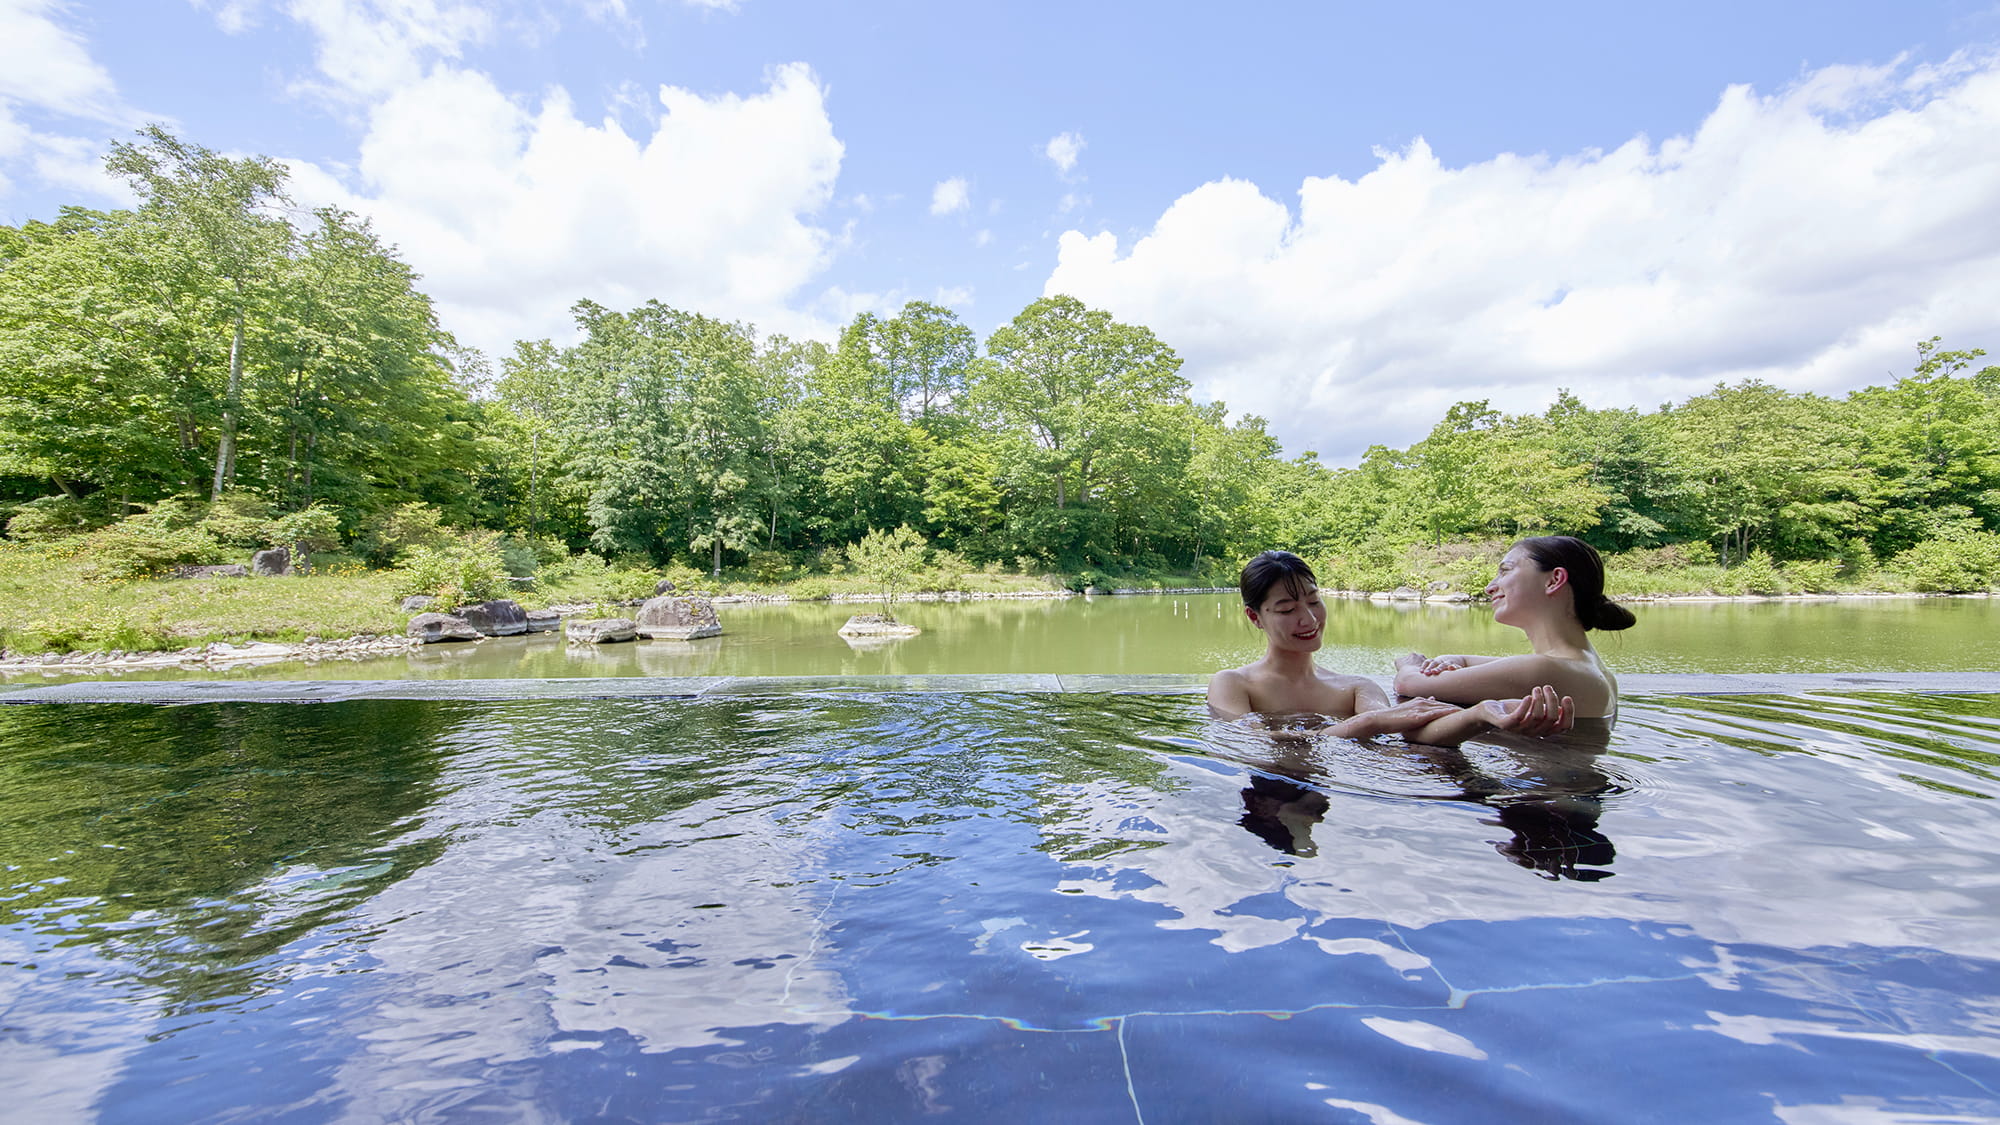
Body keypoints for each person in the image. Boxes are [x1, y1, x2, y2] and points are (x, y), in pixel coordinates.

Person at [1209, 550, 1572, 743]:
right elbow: (1250, 745)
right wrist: (1368, 722)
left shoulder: (1354, 687)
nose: (1308, 619)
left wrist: (1483, 715)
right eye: (1287, 610)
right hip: (1267, 789)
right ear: (1255, 618)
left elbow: (1409, 732)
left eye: (1314, 601)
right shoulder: (1233, 684)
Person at [1395, 535, 1635, 719]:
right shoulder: (1584, 666)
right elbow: (1464, 660)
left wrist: (1408, 665)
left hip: (1534, 786)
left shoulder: (1545, 669)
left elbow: (1411, 685)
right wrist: (1449, 660)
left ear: (1554, 580)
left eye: (1505, 571)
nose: (1490, 587)